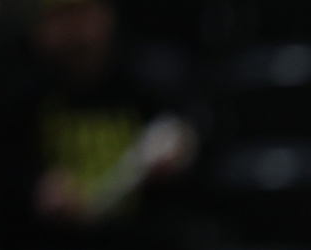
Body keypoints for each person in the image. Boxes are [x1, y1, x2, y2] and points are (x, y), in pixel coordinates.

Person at [16, 0, 194, 234]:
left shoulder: (150, 81)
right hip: (52, 242)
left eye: (82, 13)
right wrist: (36, 186)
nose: (75, 30)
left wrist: (181, 153)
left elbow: (187, 134)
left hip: (138, 239)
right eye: (62, 16)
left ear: (107, 15)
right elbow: (6, 170)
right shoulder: (23, 94)